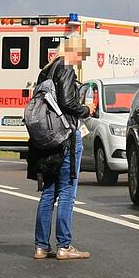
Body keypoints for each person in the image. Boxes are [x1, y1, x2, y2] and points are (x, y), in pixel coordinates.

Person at [28, 34, 96, 259]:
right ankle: (64, 246)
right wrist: (86, 109)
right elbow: (67, 102)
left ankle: (41, 246)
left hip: (46, 140)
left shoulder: (45, 70)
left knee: (48, 191)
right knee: (67, 192)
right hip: (66, 137)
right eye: (81, 53)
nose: (81, 58)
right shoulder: (66, 67)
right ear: (74, 51)